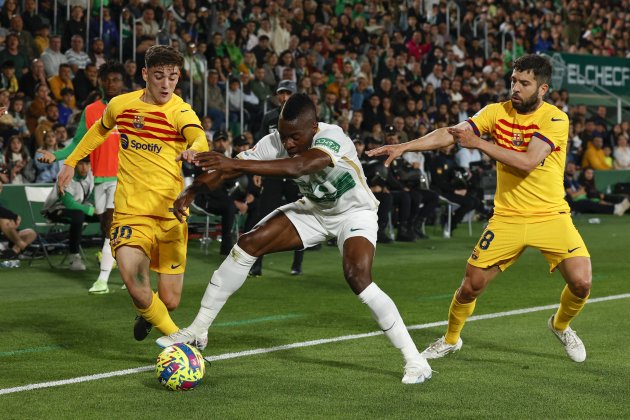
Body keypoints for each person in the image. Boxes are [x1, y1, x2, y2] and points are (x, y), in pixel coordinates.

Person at [156, 93, 432, 385]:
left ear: (313, 127)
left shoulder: (333, 136)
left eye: (294, 137)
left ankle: (415, 360)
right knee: (248, 244)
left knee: (357, 276)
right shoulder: (275, 141)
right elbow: (226, 169)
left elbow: (299, 166)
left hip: (354, 213)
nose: (287, 144)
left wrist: (237, 165)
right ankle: (198, 329)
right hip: (315, 210)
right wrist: (192, 191)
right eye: (283, 135)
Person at [368, 54, 592, 363]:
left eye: (524, 83)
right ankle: (450, 339)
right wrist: (405, 146)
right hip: (507, 218)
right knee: (470, 287)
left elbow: (528, 162)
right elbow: (452, 133)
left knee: (581, 283)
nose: (515, 87)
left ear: (543, 89)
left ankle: (560, 325)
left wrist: (480, 144)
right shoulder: (496, 112)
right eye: (513, 80)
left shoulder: (555, 118)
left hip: (550, 216)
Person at [56, 45, 209, 341]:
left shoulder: (180, 111)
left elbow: (197, 136)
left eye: (173, 77)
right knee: (136, 283)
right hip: (131, 211)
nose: (166, 84)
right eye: (159, 76)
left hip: (170, 213)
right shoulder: (121, 105)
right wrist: (71, 162)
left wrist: (195, 150)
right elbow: (100, 130)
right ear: (145, 74)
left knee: (170, 300)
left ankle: (148, 313)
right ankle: (181, 341)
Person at [38, 60, 126, 295]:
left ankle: (103, 280)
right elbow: (78, 144)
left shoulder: (133, 108)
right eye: (106, 79)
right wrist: (55, 155)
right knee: (111, 229)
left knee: (109, 225)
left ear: (123, 83)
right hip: (98, 180)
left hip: (124, 178)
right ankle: (124, 265)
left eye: (115, 79)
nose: (111, 83)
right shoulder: (91, 111)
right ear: (99, 82)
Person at [251, 79, 306, 276]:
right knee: (265, 219)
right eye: (281, 93)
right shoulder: (269, 117)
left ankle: (297, 263)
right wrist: (257, 170)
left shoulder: (304, 118)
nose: (284, 97)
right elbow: (260, 146)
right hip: (274, 173)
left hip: (295, 175)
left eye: (288, 93)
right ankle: (257, 264)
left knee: (299, 219)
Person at [43, 157, 98, 270]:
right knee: (78, 215)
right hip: (55, 210)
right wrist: (91, 210)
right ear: (75, 164)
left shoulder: (91, 176)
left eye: (87, 164)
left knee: (106, 216)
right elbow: (70, 205)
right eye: (81, 164)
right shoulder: (65, 175)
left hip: (79, 209)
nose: (84, 167)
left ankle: (109, 254)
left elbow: (91, 198)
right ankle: (74, 257)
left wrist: (96, 209)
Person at [0, 182, 36, 260]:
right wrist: (14, 216)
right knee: (3, 220)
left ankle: (13, 252)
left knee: (31, 233)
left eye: (0, 188)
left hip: (8, 237)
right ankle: (22, 246)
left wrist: (12, 222)